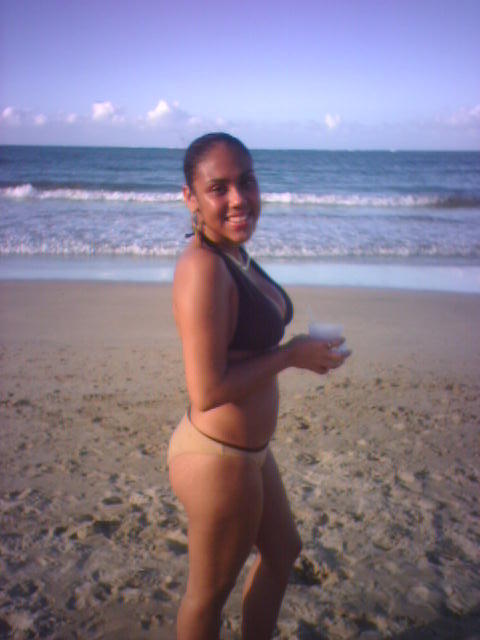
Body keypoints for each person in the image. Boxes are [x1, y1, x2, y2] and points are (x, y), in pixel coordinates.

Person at [168, 132, 348, 639]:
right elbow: (207, 390)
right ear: (190, 198)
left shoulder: (233, 253)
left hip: (250, 453)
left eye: (246, 182)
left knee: (283, 550)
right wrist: (290, 355)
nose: (238, 199)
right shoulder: (202, 268)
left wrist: (298, 350)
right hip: (217, 457)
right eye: (218, 188)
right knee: (208, 597)